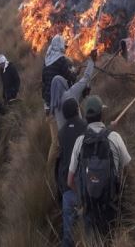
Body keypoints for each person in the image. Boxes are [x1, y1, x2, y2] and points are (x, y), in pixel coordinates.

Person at [67, 95, 131, 237]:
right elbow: (127, 170)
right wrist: (120, 190)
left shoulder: (80, 141)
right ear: (102, 114)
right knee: (112, 238)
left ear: (86, 117)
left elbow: (70, 181)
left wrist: (83, 196)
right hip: (111, 205)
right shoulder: (114, 137)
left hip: (89, 208)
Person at [56, 98, 88, 247]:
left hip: (67, 186)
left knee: (68, 231)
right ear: (77, 110)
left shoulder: (61, 132)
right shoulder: (85, 127)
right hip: (83, 184)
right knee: (86, 227)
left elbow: (60, 156)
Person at [50, 49, 96, 130]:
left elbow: (72, 107)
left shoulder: (55, 105)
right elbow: (86, 78)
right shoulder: (69, 94)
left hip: (64, 137)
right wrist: (91, 61)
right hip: (77, 134)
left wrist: (82, 96)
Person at [42, 35, 77, 112]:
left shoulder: (47, 60)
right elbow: (71, 78)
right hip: (59, 99)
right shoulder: (61, 60)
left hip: (48, 98)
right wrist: (74, 72)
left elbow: (44, 81)